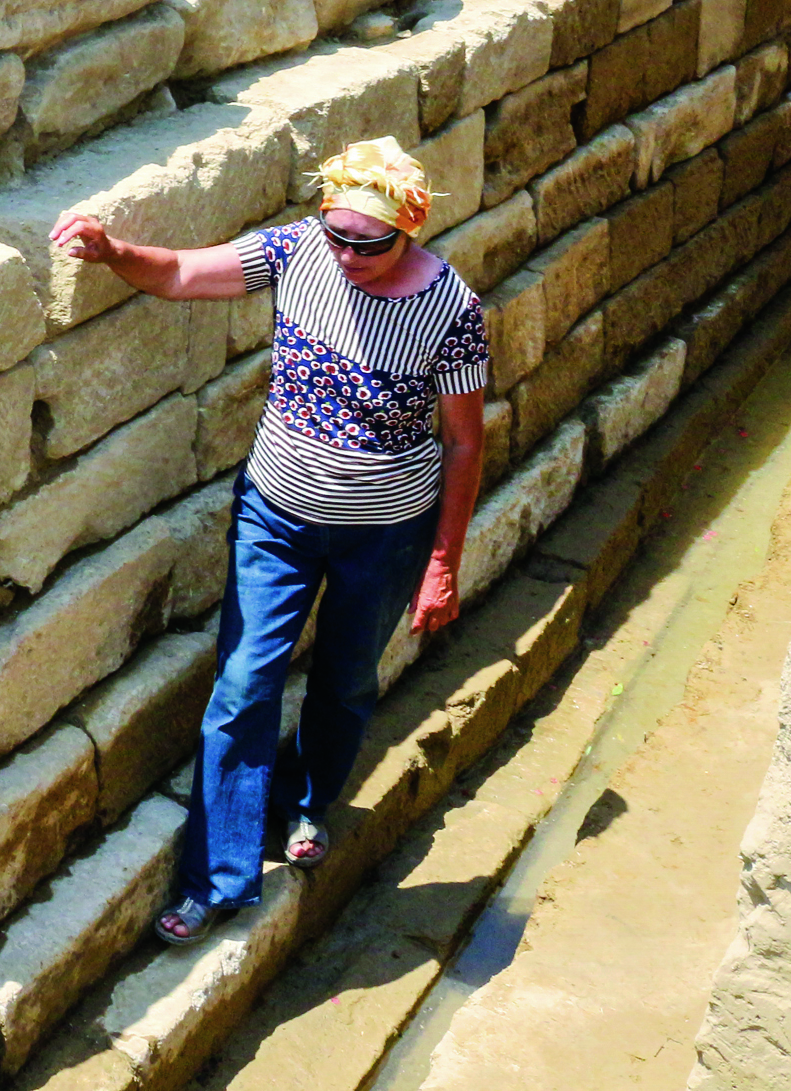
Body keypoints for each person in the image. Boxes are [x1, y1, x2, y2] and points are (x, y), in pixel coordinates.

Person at [50, 137, 490, 947]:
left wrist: (441, 562)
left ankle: (306, 799)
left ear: (411, 229)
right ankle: (217, 878)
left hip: (387, 531)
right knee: (244, 682)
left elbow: (464, 442)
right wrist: (112, 251)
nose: (349, 255)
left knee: (347, 678)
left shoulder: (451, 310)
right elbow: (182, 273)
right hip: (277, 516)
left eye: (371, 241)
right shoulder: (296, 254)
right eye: (338, 234)